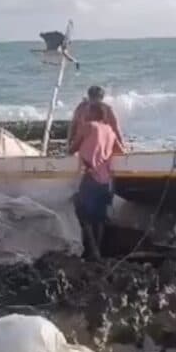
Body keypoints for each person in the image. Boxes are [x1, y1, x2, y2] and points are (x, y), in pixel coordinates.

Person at [71, 101, 124, 261]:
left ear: (93, 114)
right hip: (106, 179)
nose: (85, 114)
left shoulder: (89, 126)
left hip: (90, 175)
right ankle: (99, 250)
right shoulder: (110, 131)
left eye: (88, 112)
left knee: (83, 213)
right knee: (99, 218)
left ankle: (93, 250)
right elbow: (121, 152)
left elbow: (72, 149)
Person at [68, 86, 125, 154]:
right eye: (92, 97)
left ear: (101, 98)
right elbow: (73, 126)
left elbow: (116, 129)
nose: (93, 100)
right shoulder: (81, 107)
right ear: (89, 96)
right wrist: (69, 143)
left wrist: (122, 145)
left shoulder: (107, 109)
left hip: (99, 139)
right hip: (84, 140)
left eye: (95, 97)